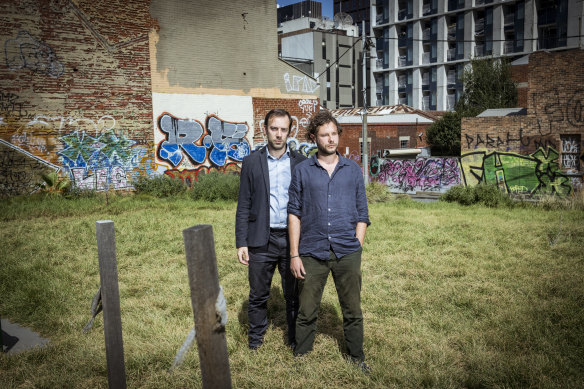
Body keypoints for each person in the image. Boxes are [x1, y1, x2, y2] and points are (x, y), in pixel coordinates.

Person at [288, 110, 370, 371]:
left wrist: (358, 242)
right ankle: (301, 358)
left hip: (347, 251)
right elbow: (294, 213)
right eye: (325, 135)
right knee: (307, 309)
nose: (331, 139)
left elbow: (362, 211)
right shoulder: (302, 171)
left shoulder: (352, 170)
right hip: (312, 251)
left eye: (334, 133)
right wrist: (294, 254)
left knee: (352, 310)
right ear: (314, 137)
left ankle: (356, 358)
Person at [235, 108, 307, 350]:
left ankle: (295, 340)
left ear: (290, 131)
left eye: (283, 129)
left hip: (292, 240)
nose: (278, 134)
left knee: (294, 295)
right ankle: (255, 342)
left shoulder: (301, 163)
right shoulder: (251, 162)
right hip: (260, 240)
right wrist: (241, 242)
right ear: (264, 129)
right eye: (274, 128)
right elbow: (244, 204)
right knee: (257, 296)